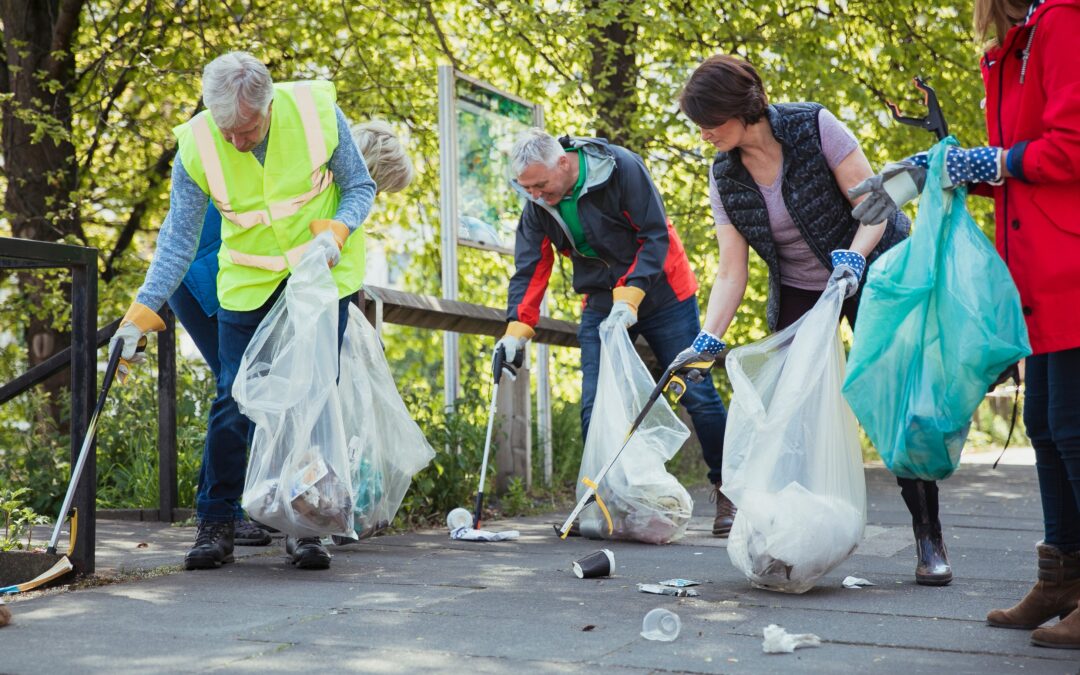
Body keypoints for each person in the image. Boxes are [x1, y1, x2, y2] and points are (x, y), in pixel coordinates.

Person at [671, 54, 958, 586]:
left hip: (872, 265)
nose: (705, 133)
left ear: (742, 107)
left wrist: (853, 259)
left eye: (711, 121)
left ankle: (928, 534)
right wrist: (708, 336)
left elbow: (874, 204)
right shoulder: (725, 175)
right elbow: (732, 271)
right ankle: (788, 538)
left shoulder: (812, 125)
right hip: (803, 290)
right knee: (787, 410)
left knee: (893, 400)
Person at [850, 0, 1080, 648]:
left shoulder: (1065, 21)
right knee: (1045, 424)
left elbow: (1066, 150)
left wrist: (975, 164)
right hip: (1039, 270)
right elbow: (1019, 163)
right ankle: (1061, 577)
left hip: (1071, 264)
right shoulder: (1017, 42)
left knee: (1071, 427)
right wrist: (931, 171)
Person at [109, 51, 377, 571]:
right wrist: (140, 312)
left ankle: (305, 528)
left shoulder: (318, 110)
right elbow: (179, 237)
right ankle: (216, 520)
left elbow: (360, 187)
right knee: (234, 395)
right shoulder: (196, 142)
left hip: (321, 275)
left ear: (268, 105)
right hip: (248, 281)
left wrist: (337, 233)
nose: (235, 140)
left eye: (246, 129)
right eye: (225, 129)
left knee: (312, 399)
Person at [166, 120, 414, 548]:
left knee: (263, 396)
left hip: (230, 283)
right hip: (208, 284)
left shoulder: (320, 180)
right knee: (243, 393)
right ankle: (234, 511)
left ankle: (283, 508)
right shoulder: (308, 183)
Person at [494, 128, 732, 536]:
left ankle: (729, 491)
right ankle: (603, 500)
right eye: (526, 188)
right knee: (594, 402)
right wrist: (517, 329)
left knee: (697, 393)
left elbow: (653, 234)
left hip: (664, 290)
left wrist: (632, 297)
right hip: (601, 298)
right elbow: (531, 265)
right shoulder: (537, 204)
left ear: (563, 164)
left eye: (540, 185)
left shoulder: (620, 167)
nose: (534, 195)